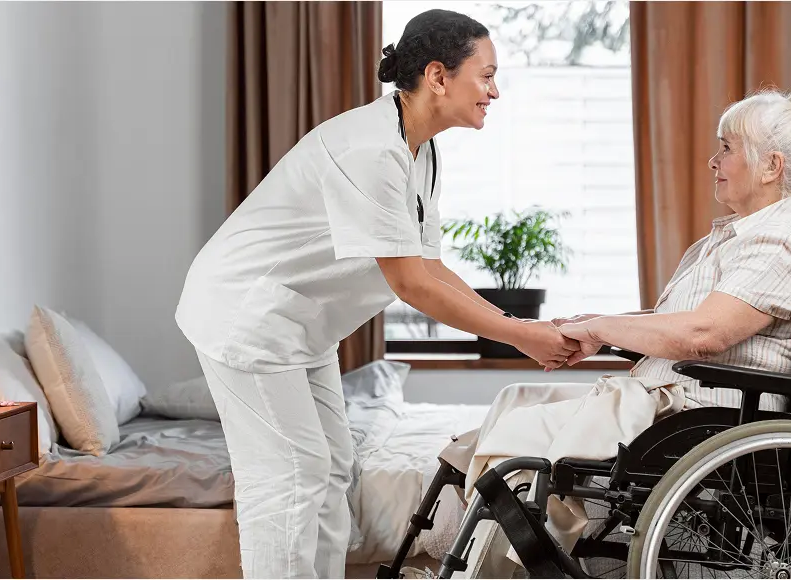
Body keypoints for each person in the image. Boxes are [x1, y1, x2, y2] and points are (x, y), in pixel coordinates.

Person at [175, 9, 578, 579]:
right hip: (248, 314)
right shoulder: (372, 149)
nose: (495, 90)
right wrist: (521, 336)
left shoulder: (420, 149)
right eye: (486, 75)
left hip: (304, 324)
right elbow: (410, 284)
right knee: (291, 473)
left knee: (335, 467)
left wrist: (516, 325)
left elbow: (431, 267)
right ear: (438, 76)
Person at [437, 75, 791, 578]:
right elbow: (673, 322)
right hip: (672, 399)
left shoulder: (783, 243)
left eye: (726, 149)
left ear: (772, 166)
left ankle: (486, 572)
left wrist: (600, 330)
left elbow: (703, 335)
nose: (713, 162)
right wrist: (590, 325)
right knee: (514, 400)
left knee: (513, 441)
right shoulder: (736, 238)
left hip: (698, 412)